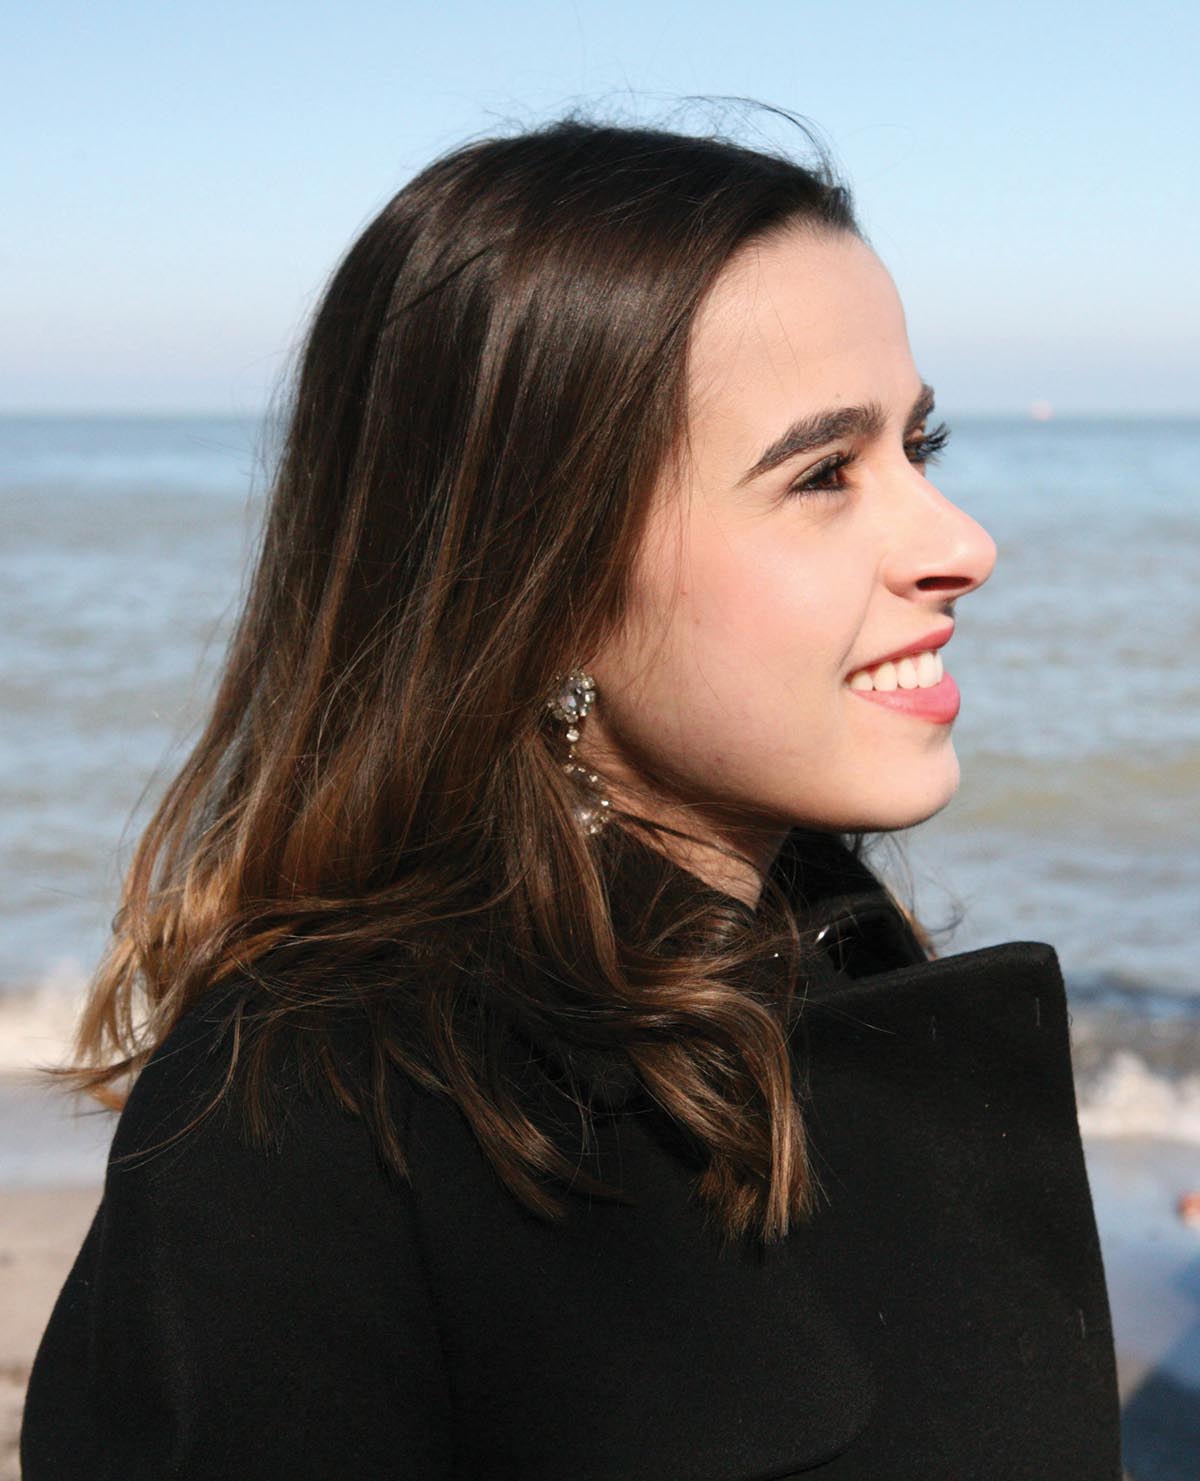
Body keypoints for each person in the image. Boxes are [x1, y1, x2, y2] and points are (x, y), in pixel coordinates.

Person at [20, 110, 1123, 1478]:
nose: (963, 544)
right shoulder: (322, 1118)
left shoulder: (840, 978)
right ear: (537, 580)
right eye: (824, 473)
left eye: (921, 444)